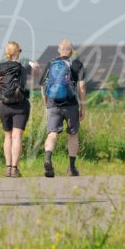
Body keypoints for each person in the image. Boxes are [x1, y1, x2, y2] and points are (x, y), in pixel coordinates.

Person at [0, 41, 36, 178]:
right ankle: (14, 169)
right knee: (17, 137)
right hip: (20, 106)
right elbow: (36, 74)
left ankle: (7, 168)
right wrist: (35, 67)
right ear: (17, 52)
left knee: (8, 136)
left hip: (4, 105)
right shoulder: (22, 68)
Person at [39, 40, 86, 177]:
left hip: (53, 104)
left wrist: (46, 103)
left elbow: (42, 85)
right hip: (71, 104)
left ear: (59, 51)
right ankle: (71, 168)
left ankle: (48, 159)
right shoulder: (77, 64)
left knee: (52, 134)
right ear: (71, 51)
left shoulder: (51, 64)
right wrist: (83, 107)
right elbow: (82, 87)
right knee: (72, 134)